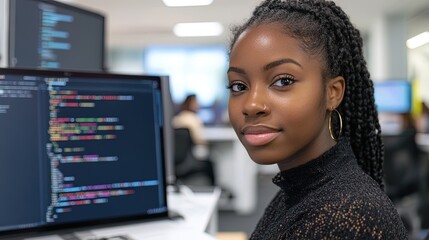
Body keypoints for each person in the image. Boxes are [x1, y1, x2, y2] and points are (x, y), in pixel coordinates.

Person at [226, 0, 407, 239]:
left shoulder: (344, 216)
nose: (251, 105)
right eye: (239, 85)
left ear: (332, 93)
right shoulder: (301, 189)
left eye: (283, 81)